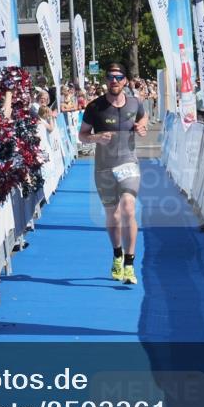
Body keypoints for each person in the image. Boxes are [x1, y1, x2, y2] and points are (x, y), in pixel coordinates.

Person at [78, 63, 148, 285]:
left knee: (128, 208)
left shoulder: (135, 103)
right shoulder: (94, 107)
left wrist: (142, 127)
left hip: (128, 162)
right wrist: (96, 138)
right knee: (113, 215)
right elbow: (82, 135)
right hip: (104, 167)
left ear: (125, 80)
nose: (114, 81)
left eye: (118, 77)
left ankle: (129, 262)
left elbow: (142, 118)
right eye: (110, 77)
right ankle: (117, 254)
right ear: (106, 81)